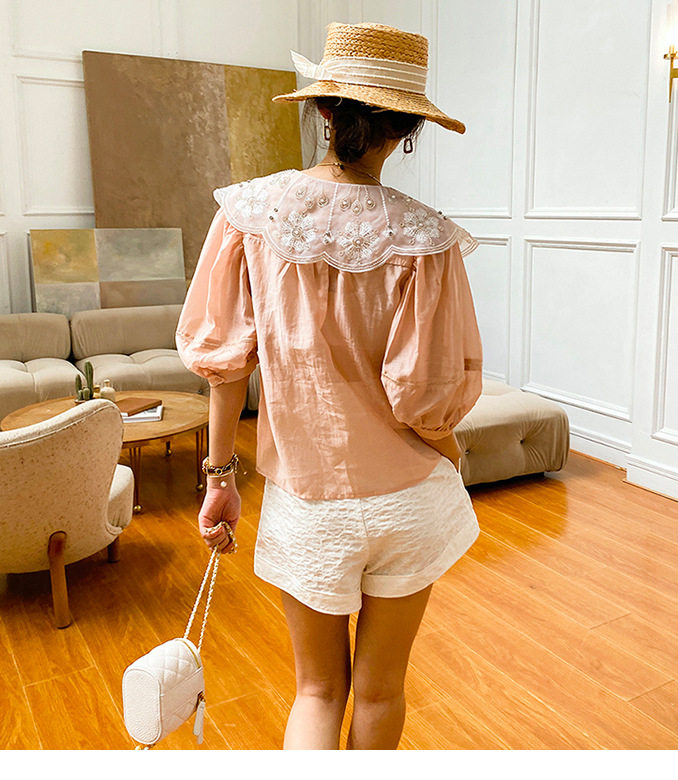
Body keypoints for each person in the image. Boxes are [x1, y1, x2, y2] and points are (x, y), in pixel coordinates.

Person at [176, 21, 483, 750]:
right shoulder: (427, 238)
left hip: (308, 505)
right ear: (408, 130)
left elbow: (225, 365)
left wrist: (219, 477)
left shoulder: (248, 215)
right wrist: (452, 451)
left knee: (315, 693)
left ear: (321, 109)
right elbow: (423, 395)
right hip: (409, 499)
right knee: (381, 693)